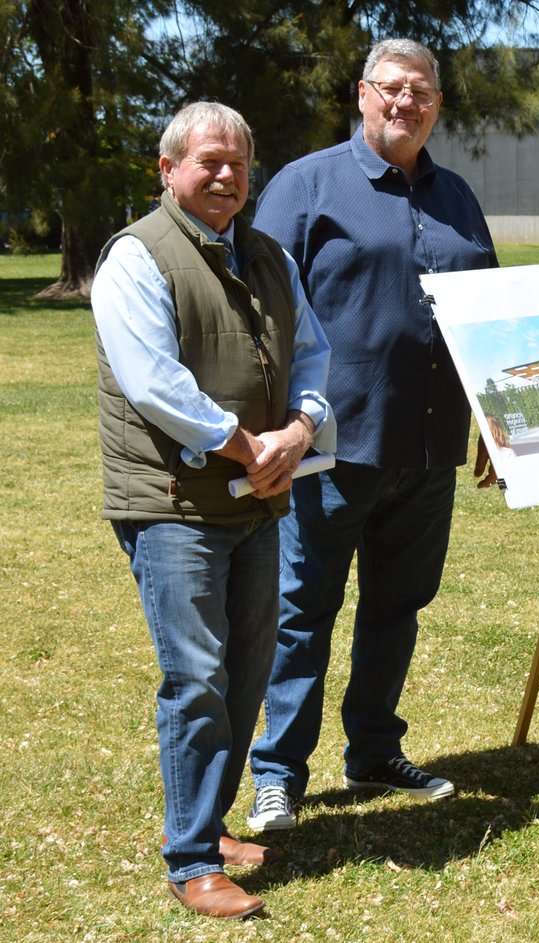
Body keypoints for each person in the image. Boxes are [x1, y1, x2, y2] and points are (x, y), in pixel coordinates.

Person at [245, 37, 498, 832]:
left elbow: (491, 316)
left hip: (428, 448)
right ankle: (279, 771)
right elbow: (258, 308)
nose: (405, 104)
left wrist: (499, 418)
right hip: (328, 446)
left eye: (421, 93)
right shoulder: (307, 185)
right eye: (391, 89)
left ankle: (374, 749)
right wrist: (274, 426)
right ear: (363, 94)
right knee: (301, 610)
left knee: (399, 603)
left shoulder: (458, 196)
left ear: (436, 105)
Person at [91, 102, 335, 918]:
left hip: (258, 499)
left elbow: (315, 353)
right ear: (168, 170)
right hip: (173, 506)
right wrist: (250, 448)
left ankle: (212, 821)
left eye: (239, 162)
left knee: (246, 671)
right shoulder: (136, 255)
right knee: (196, 677)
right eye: (208, 162)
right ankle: (192, 858)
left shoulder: (266, 256)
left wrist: (299, 429)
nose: (227, 175)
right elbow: (155, 382)